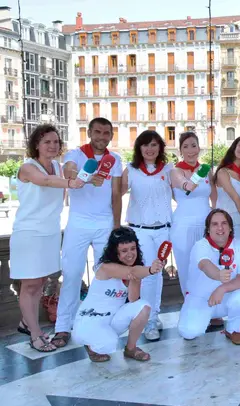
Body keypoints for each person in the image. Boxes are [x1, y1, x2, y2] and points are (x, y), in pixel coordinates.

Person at [11, 125, 85, 352]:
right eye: (47, 142)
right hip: (29, 233)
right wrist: (71, 183)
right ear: (36, 145)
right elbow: (44, 181)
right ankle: (35, 333)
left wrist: (85, 178)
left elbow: (66, 181)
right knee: (30, 284)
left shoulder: (59, 167)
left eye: (55, 142)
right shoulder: (27, 168)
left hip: (50, 232)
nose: (52, 146)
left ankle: (27, 322)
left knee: (41, 281)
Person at [54, 118, 123, 348]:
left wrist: (116, 226)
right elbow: (68, 171)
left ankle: (102, 321)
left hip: (105, 223)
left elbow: (115, 195)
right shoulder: (75, 154)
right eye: (98, 132)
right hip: (78, 223)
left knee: (105, 275)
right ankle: (63, 327)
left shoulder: (115, 159)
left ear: (111, 135)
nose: (102, 137)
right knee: (71, 274)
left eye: (106, 133)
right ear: (89, 132)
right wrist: (83, 175)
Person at [72, 227, 161, 362]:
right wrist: (150, 270)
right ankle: (90, 345)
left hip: (111, 320)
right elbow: (133, 271)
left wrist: (136, 279)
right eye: (124, 251)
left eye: (133, 248)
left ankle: (130, 349)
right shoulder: (105, 267)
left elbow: (133, 299)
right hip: (89, 320)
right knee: (109, 345)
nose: (130, 254)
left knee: (144, 307)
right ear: (116, 253)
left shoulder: (134, 271)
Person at [121, 130, 173, 341]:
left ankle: (154, 314)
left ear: (160, 147)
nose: (149, 149)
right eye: (145, 145)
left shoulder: (169, 170)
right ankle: (149, 321)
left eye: (153, 145)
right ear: (139, 148)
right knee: (149, 274)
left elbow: (184, 188)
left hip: (164, 230)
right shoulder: (131, 170)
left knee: (157, 274)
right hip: (141, 230)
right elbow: (117, 193)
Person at [177, 209, 240, 345]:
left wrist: (222, 288)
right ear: (208, 229)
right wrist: (218, 275)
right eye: (214, 224)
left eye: (224, 223)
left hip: (224, 298)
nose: (220, 228)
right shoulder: (200, 246)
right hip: (201, 299)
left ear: (230, 228)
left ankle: (233, 329)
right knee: (188, 332)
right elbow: (205, 264)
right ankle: (202, 318)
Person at [169, 131, 216, 295]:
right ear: (180, 150)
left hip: (205, 224)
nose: (190, 150)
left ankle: (211, 308)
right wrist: (189, 183)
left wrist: (215, 218)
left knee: (208, 265)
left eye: (194, 146)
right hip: (184, 225)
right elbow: (184, 185)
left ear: (199, 148)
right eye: (186, 146)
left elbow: (214, 195)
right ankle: (190, 307)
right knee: (187, 268)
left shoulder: (206, 170)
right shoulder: (175, 171)